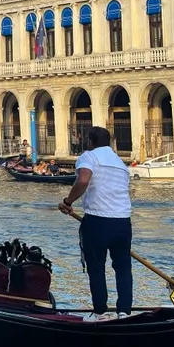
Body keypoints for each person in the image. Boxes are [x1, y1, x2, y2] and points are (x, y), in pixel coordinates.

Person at [59, 126, 132, 321]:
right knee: (123, 267)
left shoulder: (89, 156)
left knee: (97, 267)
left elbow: (83, 181)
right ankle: (124, 311)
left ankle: (101, 312)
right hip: (123, 222)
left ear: (90, 142)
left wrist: (67, 202)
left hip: (98, 220)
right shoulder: (120, 163)